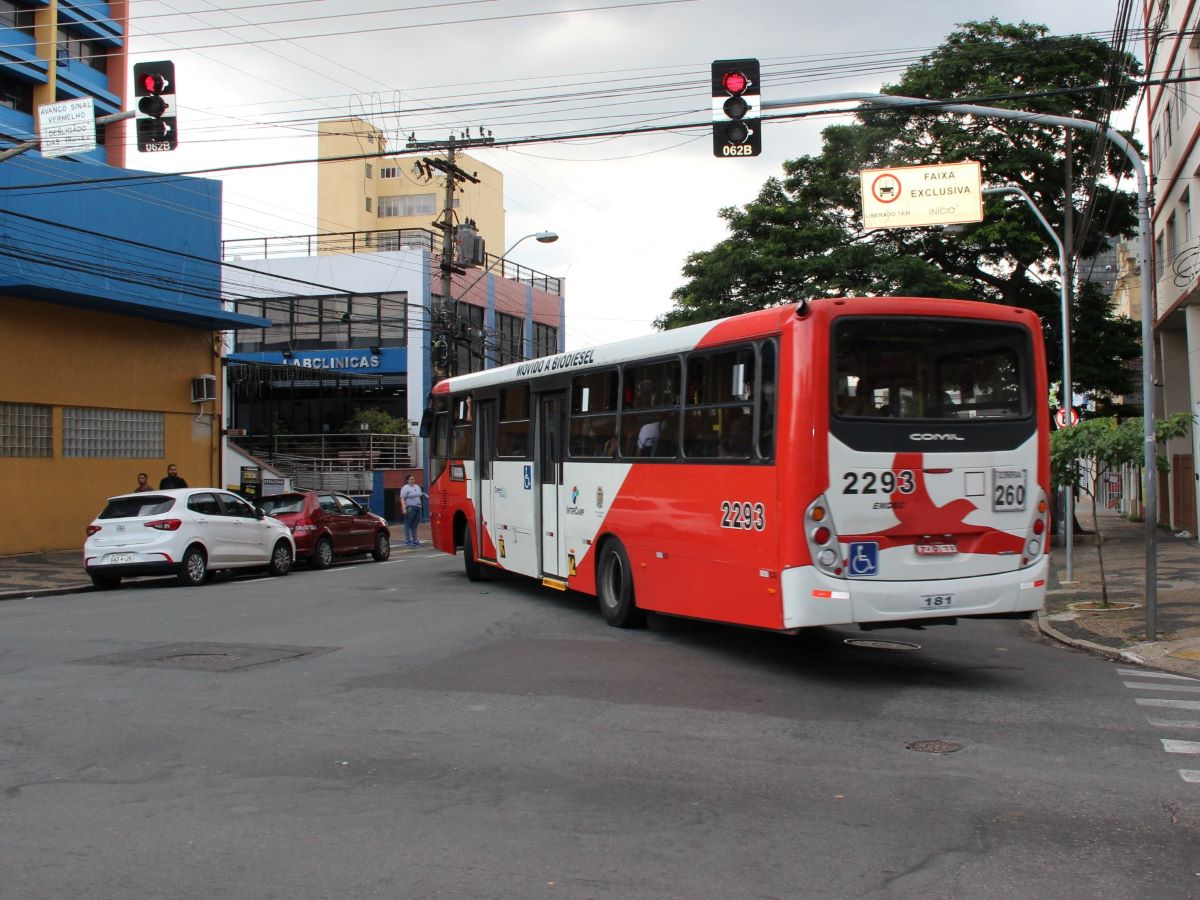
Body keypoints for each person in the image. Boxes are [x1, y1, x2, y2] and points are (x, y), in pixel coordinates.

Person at [400, 474, 428, 547]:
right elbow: (402, 498)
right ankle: (407, 541)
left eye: (413, 479)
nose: (413, 480)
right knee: (408, 524)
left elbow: (419, 495)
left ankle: (415, 540)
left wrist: (423, 495)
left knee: (415, 525)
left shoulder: (417, 487)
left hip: (418, 507)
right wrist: (403, 508)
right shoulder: (405, 488)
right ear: (407, 480)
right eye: (411, 479)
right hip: (410, 508)